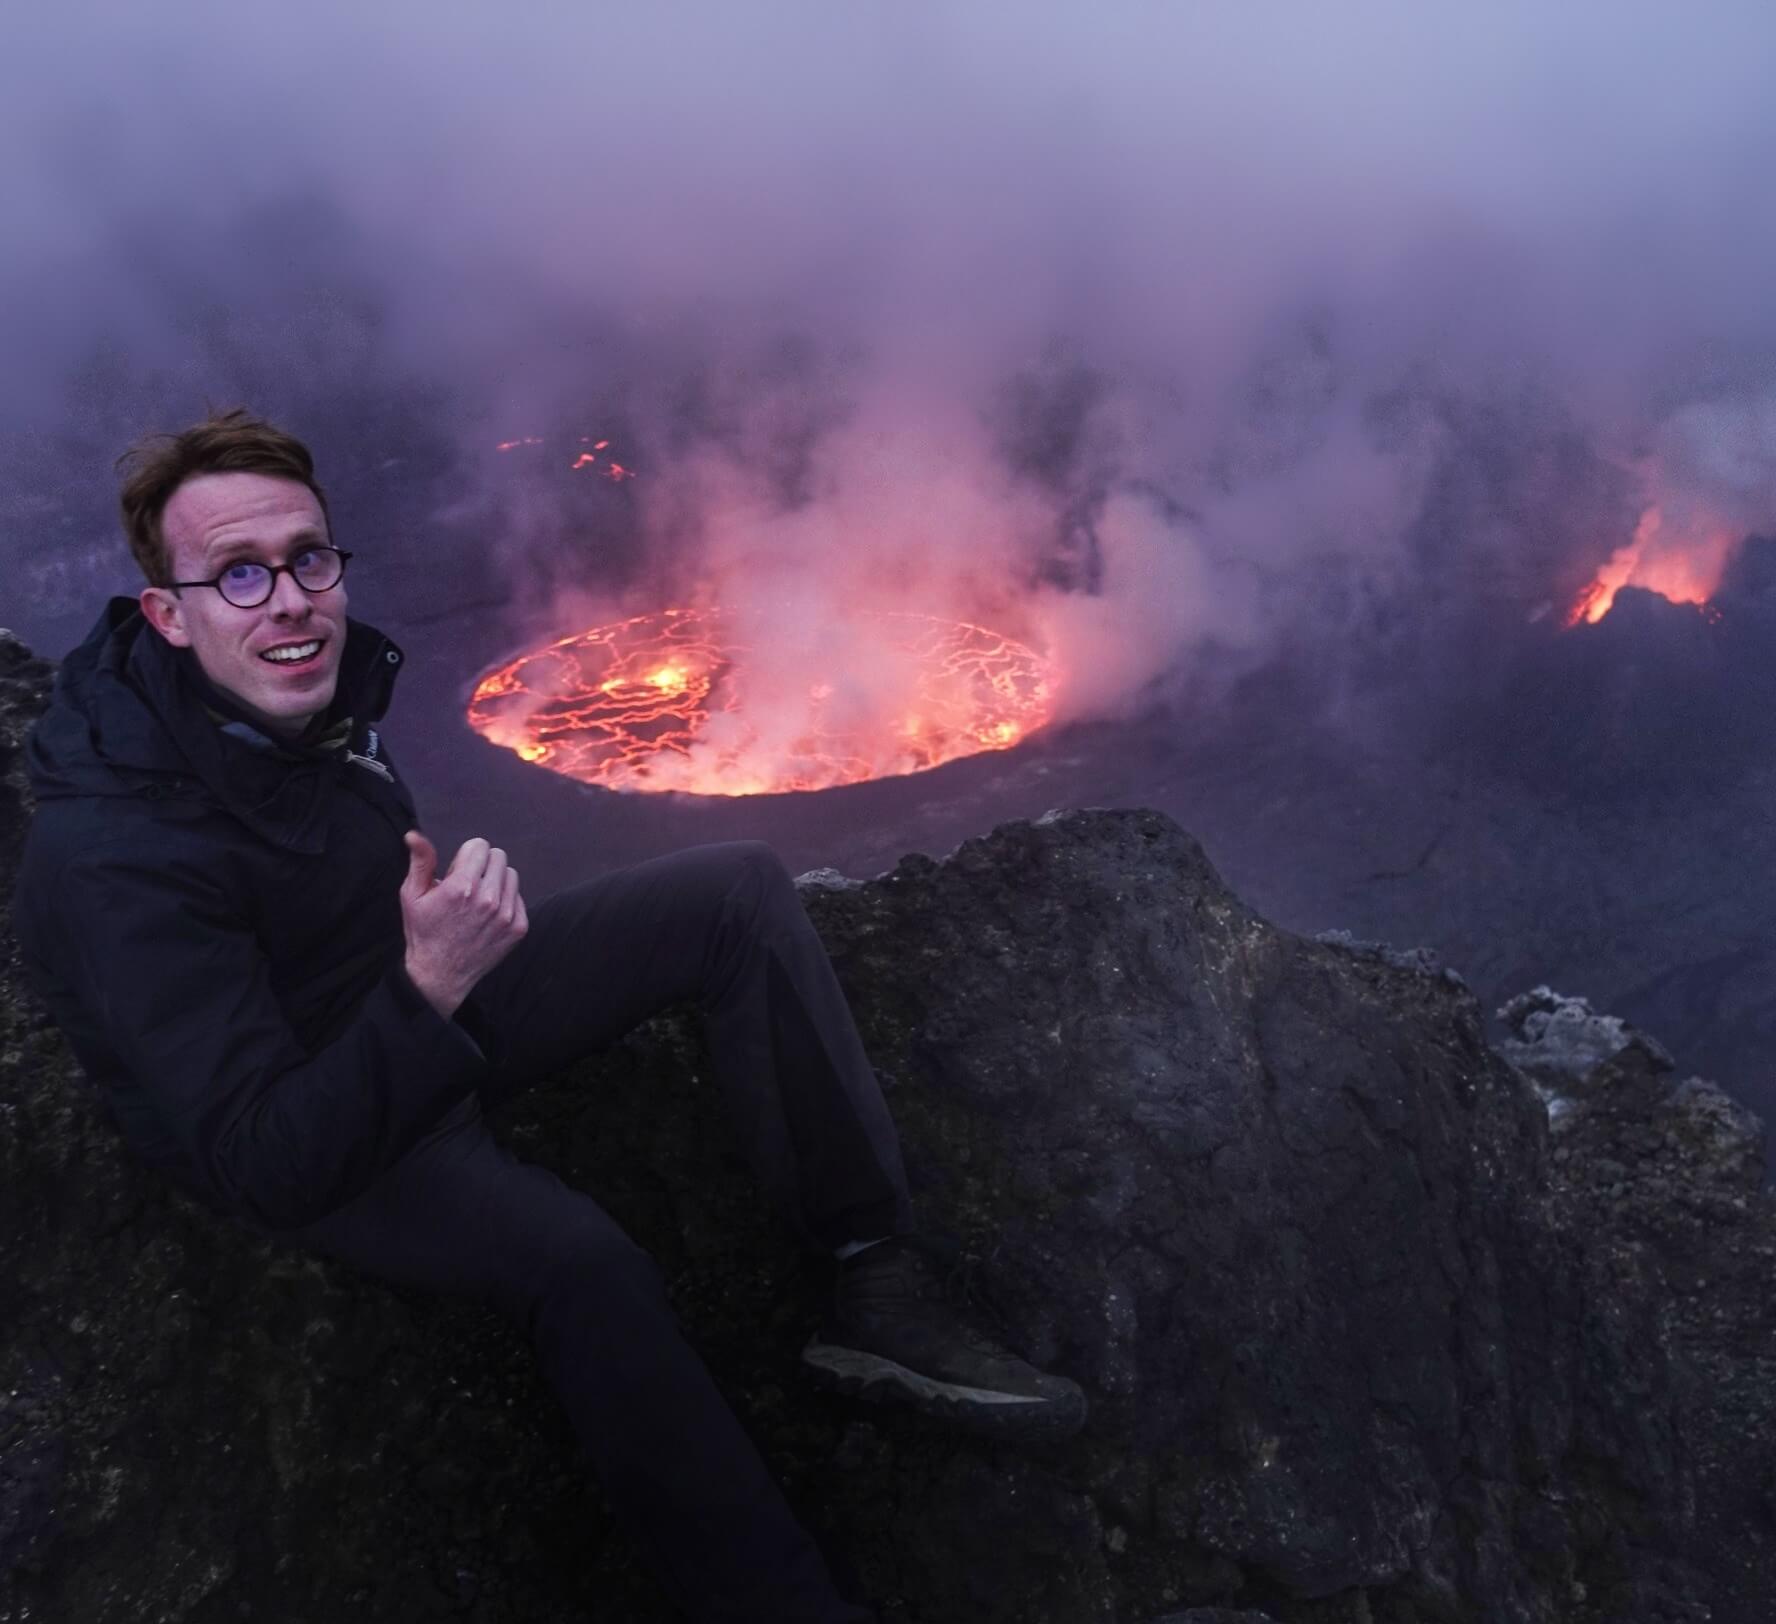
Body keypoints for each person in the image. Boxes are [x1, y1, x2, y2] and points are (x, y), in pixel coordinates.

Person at [13, 408, 1085, 1623]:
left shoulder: (281, 708)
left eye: (309, 558)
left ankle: (871, 1282)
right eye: (240, 574)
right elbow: (263, 1158)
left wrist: (428, 970)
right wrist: (425, 992)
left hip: (415, 994)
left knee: (734, 892)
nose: (291, 600)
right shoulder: (119, 854)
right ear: (168, 611)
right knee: (586, 1267)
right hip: (322, 1116)